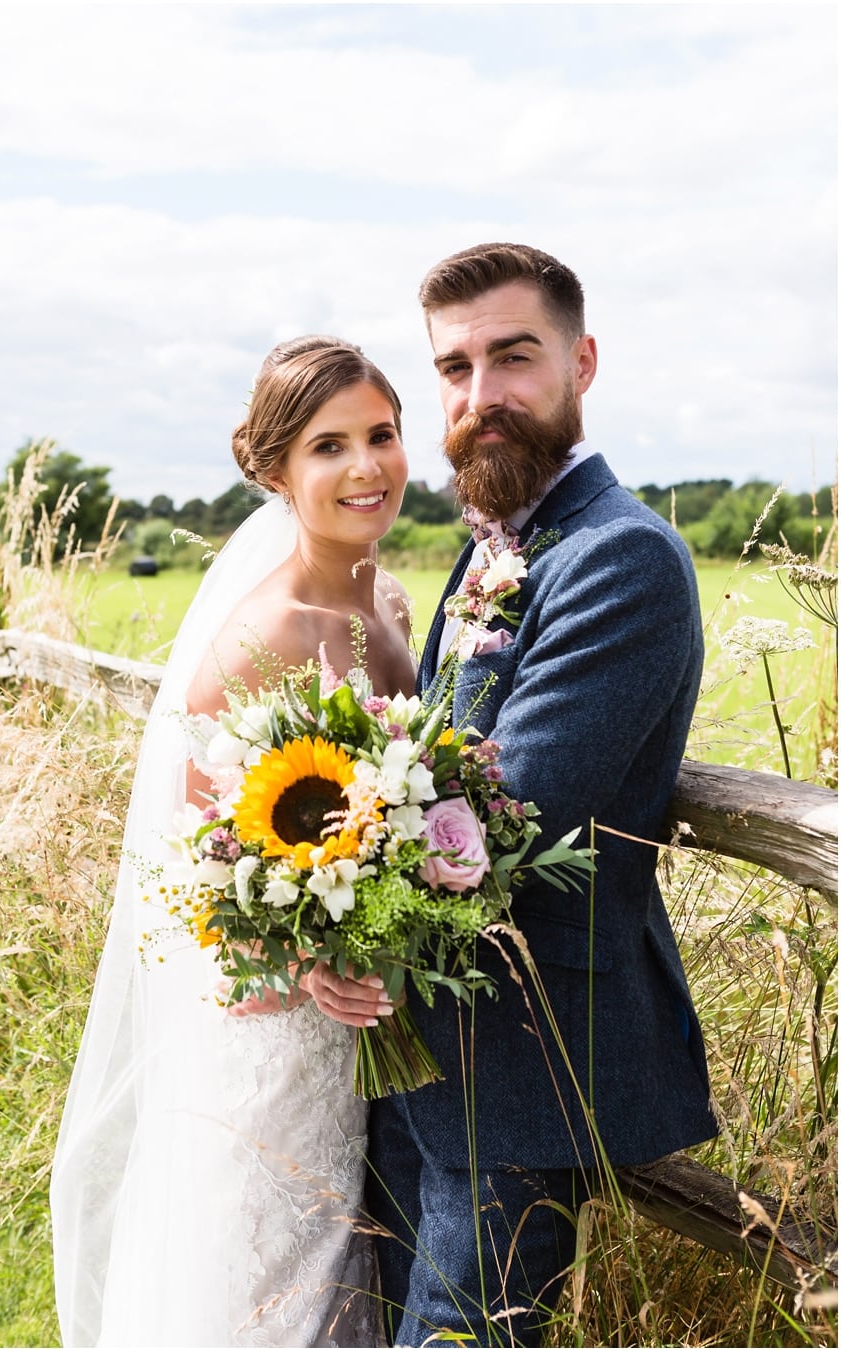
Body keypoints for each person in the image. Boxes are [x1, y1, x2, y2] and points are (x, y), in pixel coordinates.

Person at [310, 243, 720, 1347]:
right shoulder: (499, 542)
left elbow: (504, 813)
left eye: (513, 357)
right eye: (453, 368)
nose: (479, 396)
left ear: (581, 362)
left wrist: (319, 905)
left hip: (525, 1063)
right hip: (423, 1035)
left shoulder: (618, 558)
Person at [50, 336, 413, 1348]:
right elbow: (181, 876)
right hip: (270, 1044)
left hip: (355, 1042)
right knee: (260, 1293)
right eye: (327, 446)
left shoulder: (385, 609)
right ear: (276, 472)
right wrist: (303, 963)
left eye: (380, 435)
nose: (364, 466)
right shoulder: (266, 632)